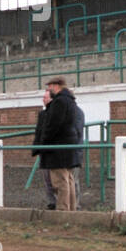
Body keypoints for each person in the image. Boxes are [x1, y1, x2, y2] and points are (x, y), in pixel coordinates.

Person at [40, 78, 83, 210]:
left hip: (59, 149)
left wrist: (44, 140)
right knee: (68, 179)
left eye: (50, 86)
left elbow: (54, 125)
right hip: (70, 147)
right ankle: (71, 208)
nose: (49, 89)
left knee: (60, 180)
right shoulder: (71, 102)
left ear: (56, 86)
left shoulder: (60, 102)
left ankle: (63, 210)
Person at [31, 89, 57, 209]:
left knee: (55, 178)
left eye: (45, 97)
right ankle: (52, 202)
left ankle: (58, 201)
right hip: (44, 150)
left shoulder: (55, 113)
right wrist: (37, 147)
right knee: (47, 178)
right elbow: (39, 132)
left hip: (52, 151)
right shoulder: (42, 114)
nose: (43, 99)